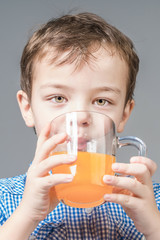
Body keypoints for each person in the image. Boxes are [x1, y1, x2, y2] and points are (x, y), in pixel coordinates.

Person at [0, 12, 160, 240]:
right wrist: (26, 216)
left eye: (101, 101)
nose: (81, 117)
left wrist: (154, 227)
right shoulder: (5, 198)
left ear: (124, 114)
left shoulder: (152, 203)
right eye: (58, 98)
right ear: (28, 109)